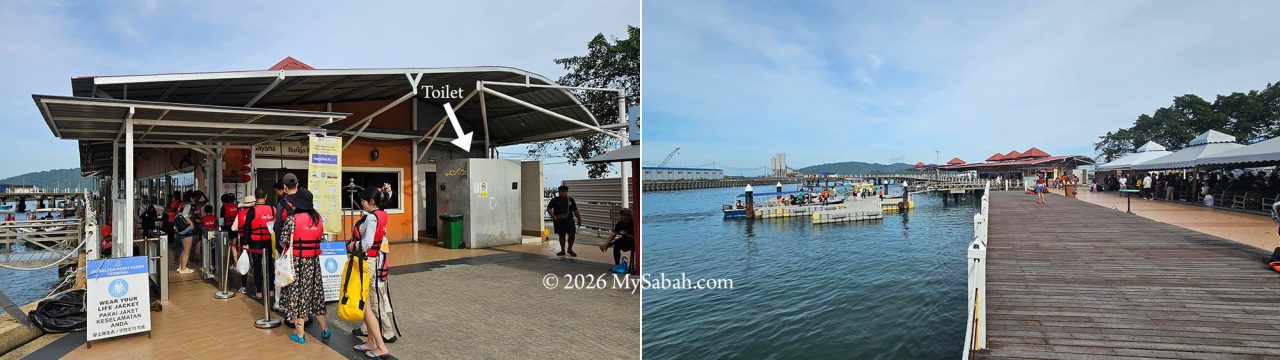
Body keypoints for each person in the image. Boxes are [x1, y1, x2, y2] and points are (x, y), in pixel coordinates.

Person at [278, 190, 331, 344]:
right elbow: (320, 238)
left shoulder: (292, 219)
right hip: (314, 264)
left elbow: (283, 241)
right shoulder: (318, 218)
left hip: (297, 264)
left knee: (298, 296)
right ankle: (325, 330)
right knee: (316, 296)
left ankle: (300, 335)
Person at [350, 188, 396, 357]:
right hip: (375, 260)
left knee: (368, 305)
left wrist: (353, 246)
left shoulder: (370, 218)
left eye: (364, 200)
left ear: (372, 202)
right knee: (370, 301)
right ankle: (371, 341)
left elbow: (367, 242)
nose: (361, 203)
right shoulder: (382, 214)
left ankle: (381, 346)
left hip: (367, 261)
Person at [239, 188, 277, 300]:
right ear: (265, 196)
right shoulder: (272, 209)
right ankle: (271, 291)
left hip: (255, 242)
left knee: (257, 266)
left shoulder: (252, 210)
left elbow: (247, 229)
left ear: (255, 197)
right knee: (270, 266)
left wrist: (245, 243)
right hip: (269, 241)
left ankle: (259, 292)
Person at [546, 185, 581, 257]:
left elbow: (575, 210)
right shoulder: (555, 200)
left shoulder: (571, 200)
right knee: (561, 235)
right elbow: (549, 208)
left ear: (567, 192)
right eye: (561, 192)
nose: (563, 193)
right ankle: (562, 250)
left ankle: (570, 249)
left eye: (564, 191)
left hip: (569, 220)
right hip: (559, 220)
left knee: (572, 234)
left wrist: (579, 219)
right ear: (559, 192)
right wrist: (554, 216)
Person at [175, 191, 197, 274]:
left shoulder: (182, 204)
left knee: (184, 250)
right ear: (191, 198)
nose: (195, 199)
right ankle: (184, 269)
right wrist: (191, 223)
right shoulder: (188, 205)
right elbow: (185, 215)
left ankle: (180, 267)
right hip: (187, 230)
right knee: (187, 251)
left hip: (181, 230)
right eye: (194, 198)